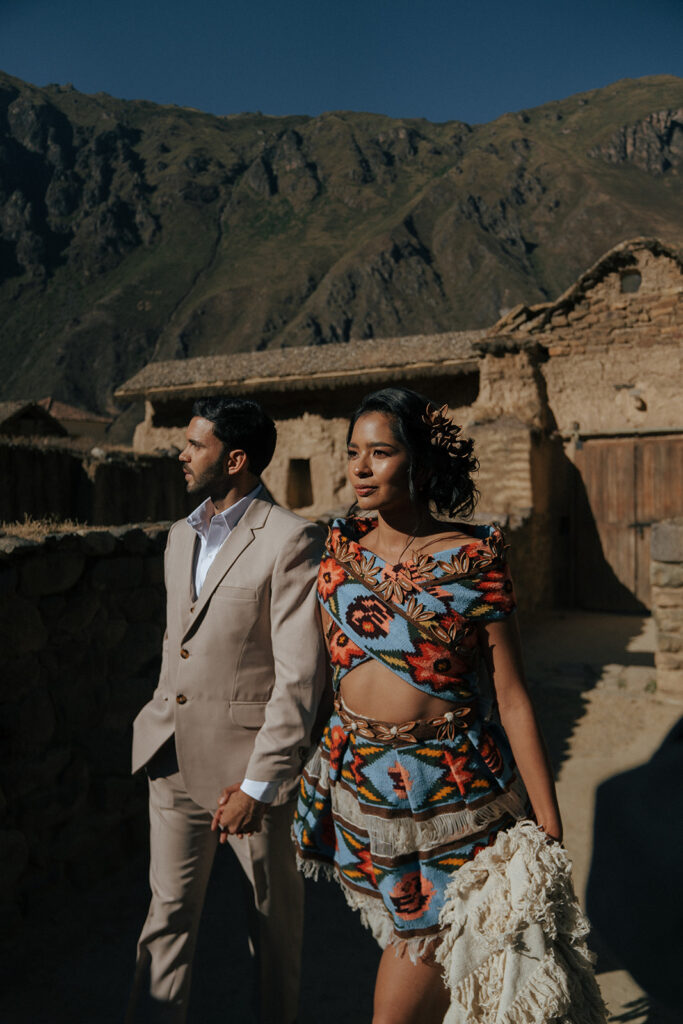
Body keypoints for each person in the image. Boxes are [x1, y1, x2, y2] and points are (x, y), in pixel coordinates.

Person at [292, 387, 607, 1024]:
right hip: (368, 791)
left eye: (380, 453)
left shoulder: (474, 560)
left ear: (422, 464)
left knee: (425, 975)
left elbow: (512, 695)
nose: (360, 467)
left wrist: (548, 819)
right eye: (354, 452)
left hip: (458, 794)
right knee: (441, 970)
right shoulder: (335, 556)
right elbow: (312, 679)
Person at [126, 397, 327, 1024]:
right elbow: (176, 646)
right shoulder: (179, 535)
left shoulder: (292, 539)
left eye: (195, 445)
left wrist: (259, 783)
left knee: (271, 928)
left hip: (249, 779)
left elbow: (299, 678)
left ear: (235, 459)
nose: (181, 454)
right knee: (165, 922)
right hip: (171, 761)